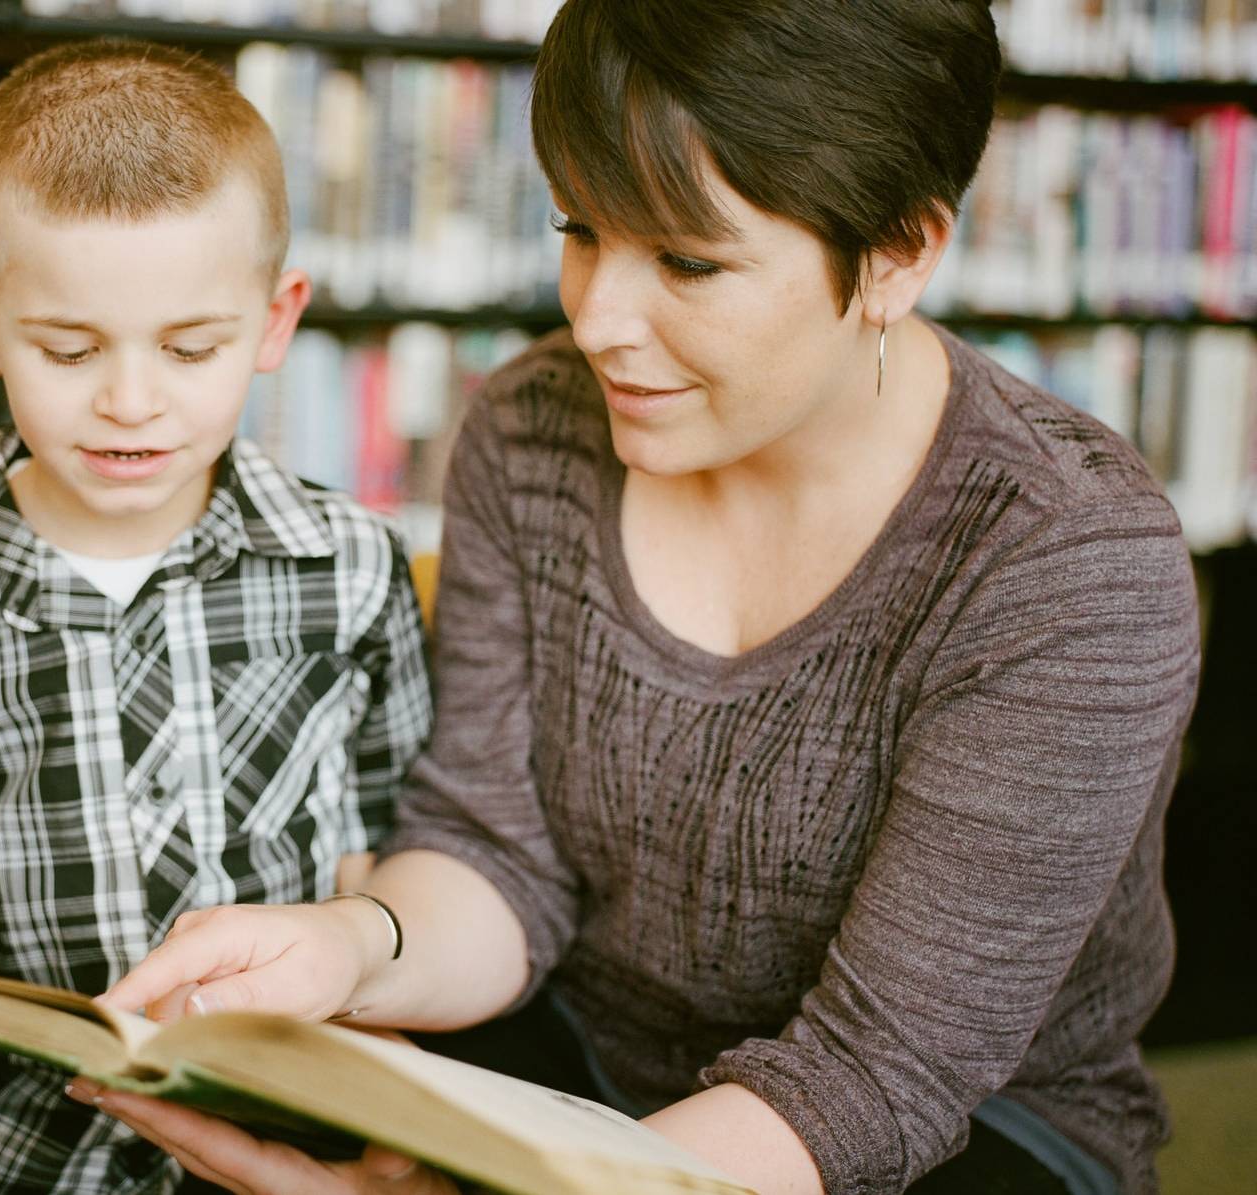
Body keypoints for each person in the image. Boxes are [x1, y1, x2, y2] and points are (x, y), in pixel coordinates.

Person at [94, 3, 1201, 1194]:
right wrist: (352, 946)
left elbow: (878, 1075)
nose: (595, 319)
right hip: (582, 1058)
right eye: (580, 229)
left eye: (687, 262)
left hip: (966, 1133)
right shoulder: (531, 428)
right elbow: (495, 854)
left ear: (897, 253)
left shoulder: (1065, 556)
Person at [0, 40, 433, 1195]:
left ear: (275, 322)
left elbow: (389, 866)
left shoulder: (355, 569)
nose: (130, 401)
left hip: (275, 1147)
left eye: (190, 347)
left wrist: (394, 1144)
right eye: (69, 350)